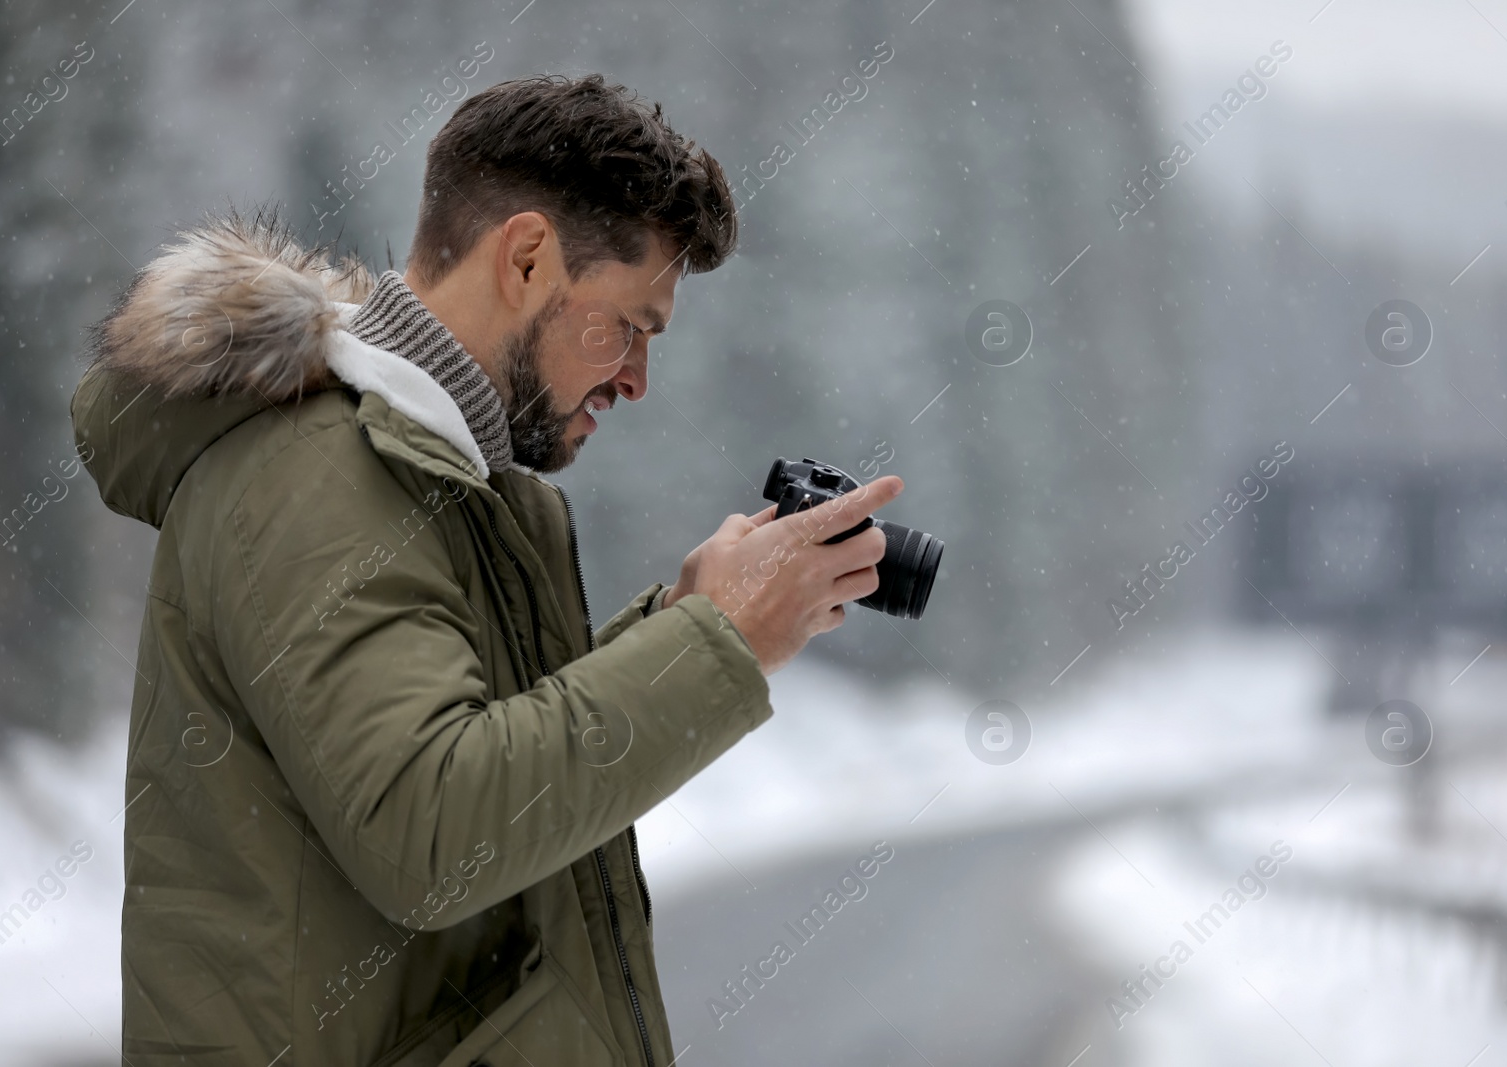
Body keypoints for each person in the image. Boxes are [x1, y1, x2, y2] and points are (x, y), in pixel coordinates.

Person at [70, 73, 902, 1066]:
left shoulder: (451, 485)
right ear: (527, 256)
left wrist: (685, 618)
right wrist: (712, 643)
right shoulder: (310, 476)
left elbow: (488, 763)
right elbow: (434, 831)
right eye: (629, 324)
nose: (636, 377)